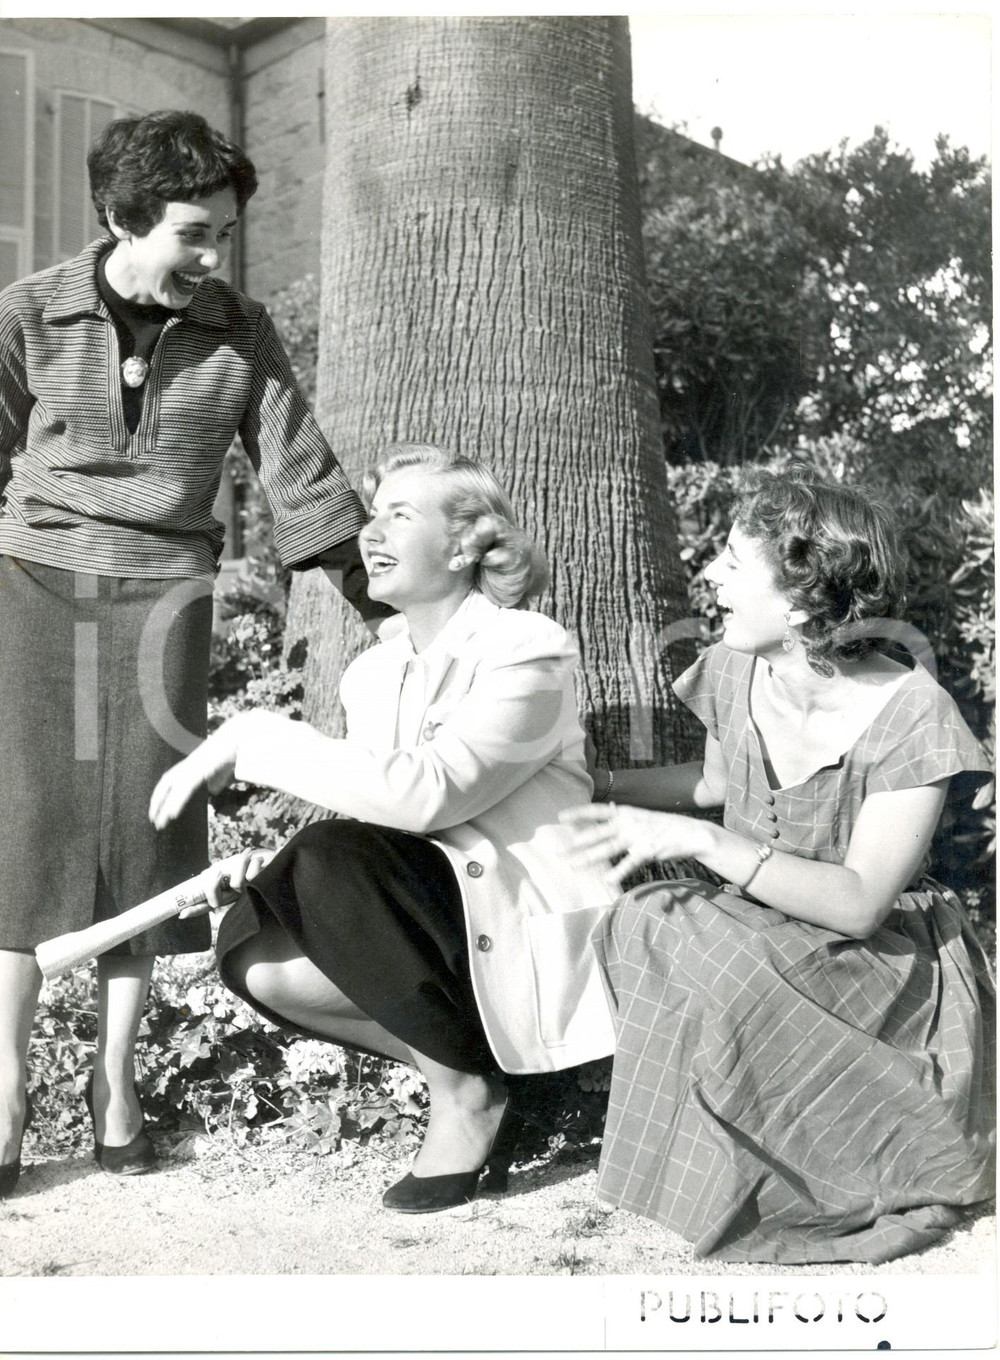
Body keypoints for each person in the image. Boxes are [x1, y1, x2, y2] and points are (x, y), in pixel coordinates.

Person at [0, 110, 388, 1198]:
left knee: (145, 831)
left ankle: (115, 1088)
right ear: (119, 219)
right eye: (192, 234)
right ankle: (7, 1093)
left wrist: (388, 605)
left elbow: (298, 473)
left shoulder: (239, 330)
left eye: (223, 233)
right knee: (21, 839)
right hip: (28, 586)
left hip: (167, 597)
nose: (211, 257)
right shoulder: (25, 316)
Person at [148, 444, 616, 1213]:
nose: (372, 533)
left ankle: (469, 1094)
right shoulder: (371, 673)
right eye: (373, 513)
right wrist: (275, 864)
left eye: (401, 514)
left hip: (512, 914)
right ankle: (470, 1071)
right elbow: (378, 820)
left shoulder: (527, 648)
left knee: (326, 859)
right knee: (255, 954)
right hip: (442, 913)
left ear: (465, 544)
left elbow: (430, 797)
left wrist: (254, 737)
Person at [563, 468, 995, 1264]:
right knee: (644, 923)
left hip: (881, 959)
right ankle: (732, 1161)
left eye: (733, 563)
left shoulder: (913, 713)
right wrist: (590, 785)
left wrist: (706, 844)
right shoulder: (734, 667)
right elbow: (720, 784)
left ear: (799, 604)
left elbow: (863, 901)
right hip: (762, 920)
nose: (712, 577)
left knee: (702, 937)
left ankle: (826, 1156)